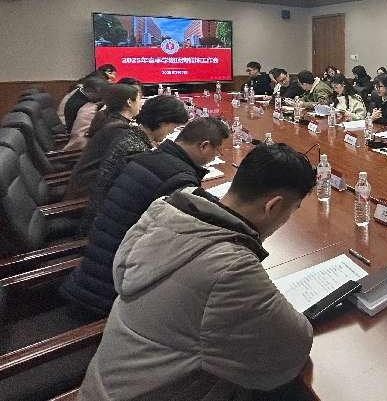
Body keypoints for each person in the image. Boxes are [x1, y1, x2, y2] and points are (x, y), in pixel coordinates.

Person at [77, 143, 317, 401]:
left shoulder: (167, 212)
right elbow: (293, 346)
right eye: (292, 210)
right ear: (273, 206)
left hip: (104, 387)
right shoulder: (228, 269)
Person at [60, 117, 229, 316]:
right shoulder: (178, 179)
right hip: (114, 290)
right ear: (204, 146)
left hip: (94, 268)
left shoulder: (148, 157)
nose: (215, 156)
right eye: (217, 151)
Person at [77, 95, 190, 237]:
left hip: (104, 214)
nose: (171, 133)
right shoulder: (137, 152)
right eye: (172, 128)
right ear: (161, 123)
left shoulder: (130, 134)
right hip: (107, 228)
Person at [65, 83, 142, 200]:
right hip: (88, 193)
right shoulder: (118, 128)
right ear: (129, 102)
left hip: (83, 182)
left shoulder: (108, 118)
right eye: (139, 99)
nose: (140, 104)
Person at [62, 76, 108, 150]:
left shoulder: (79, 93)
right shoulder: (80, 105)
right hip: (80, 140)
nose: (103, 97)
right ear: (91, 91)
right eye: (101, 94)